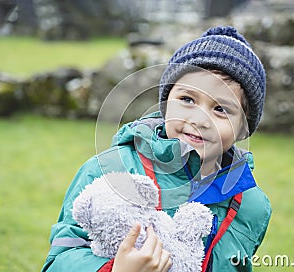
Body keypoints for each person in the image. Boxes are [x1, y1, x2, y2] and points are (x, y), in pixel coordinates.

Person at [41, 26, 271, 272]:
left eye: (221, 109)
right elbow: (60, 260)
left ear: (243, 129)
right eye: (187, 100)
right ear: (166, 103)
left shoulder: (251, 204)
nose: (200, 120)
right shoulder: (108, 172)